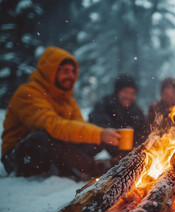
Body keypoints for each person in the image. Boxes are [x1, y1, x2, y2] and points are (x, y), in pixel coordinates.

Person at [1, 46, 121, 180]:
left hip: (57, 148)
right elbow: (53, 126)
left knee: (92, 133)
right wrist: (99, 134)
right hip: (21, 156)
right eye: (65, 71)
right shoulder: (28, 93)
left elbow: (79, 127)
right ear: (50, 72)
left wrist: (101, 134)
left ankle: (119, 160)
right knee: (43, 138)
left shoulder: (68, 101)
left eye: (72, 72)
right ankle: (94, 168)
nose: (71, 76)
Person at [85, 74, 146, 157]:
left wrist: (133, 130)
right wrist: (115, 131)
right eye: (125, 92)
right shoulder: (105, 104)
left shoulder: (136, 111)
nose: (128, 96)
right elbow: (94, 119)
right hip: (100, 148)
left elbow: (143, 130)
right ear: (118, 92)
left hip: (125, 155)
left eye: (132, 93)